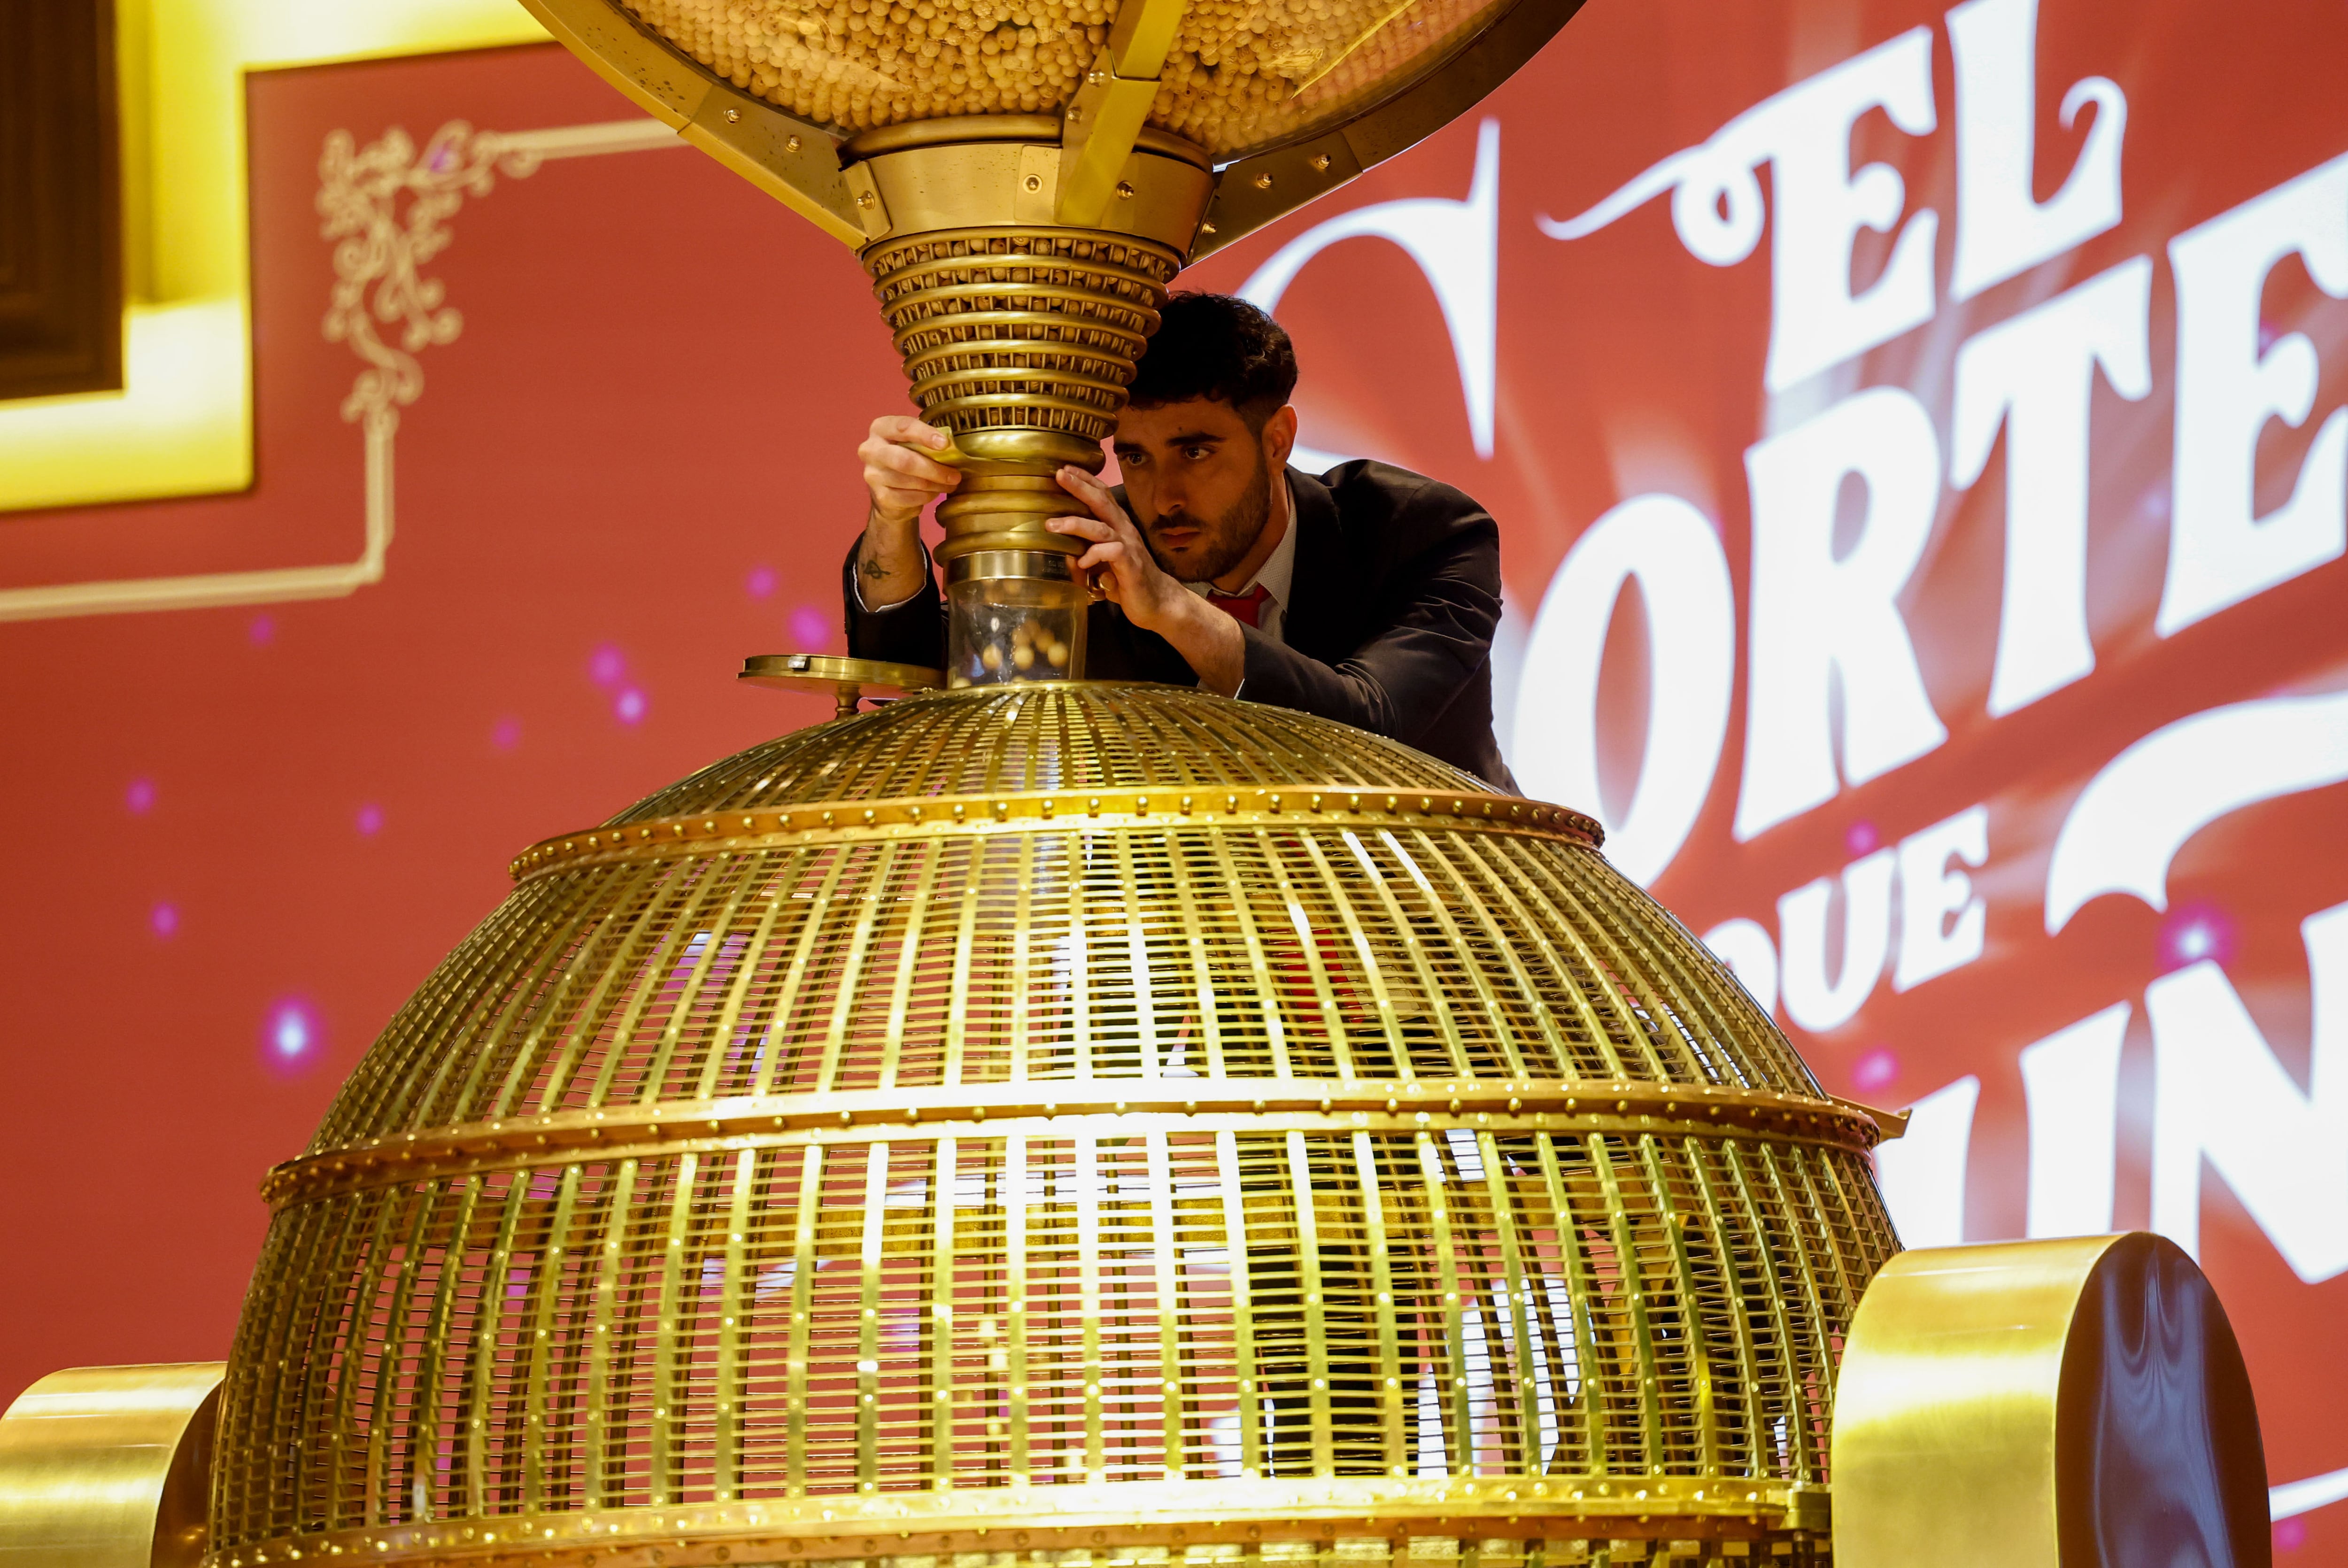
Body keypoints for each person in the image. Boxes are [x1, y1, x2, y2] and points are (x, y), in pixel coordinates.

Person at [843, 292, 1515, 788]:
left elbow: (1370, 731)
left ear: (1277, 440)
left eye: (1194, 453)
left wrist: (1172, 608)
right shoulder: (1102, 539)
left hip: (1444, 911)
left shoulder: (1424, 534)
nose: (1162, 499)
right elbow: (918, 669)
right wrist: (892, 519)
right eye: (1135, 458)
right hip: (1199, 924)